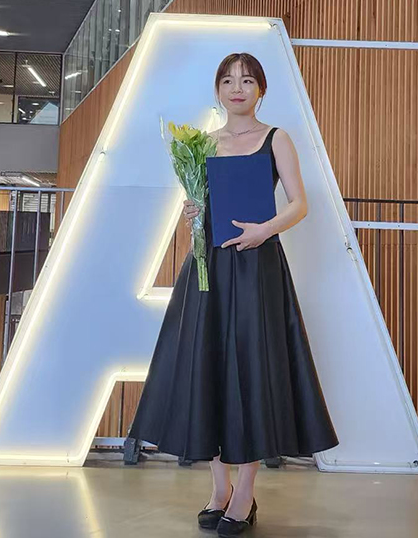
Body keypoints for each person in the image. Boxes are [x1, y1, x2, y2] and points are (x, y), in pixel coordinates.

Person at [127, 52, 339, 536]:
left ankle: (244, 494)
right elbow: (201, 207)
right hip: (209, 268)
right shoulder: (203, 144)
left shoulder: (275, 138)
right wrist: (193, 214)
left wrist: (264, 230)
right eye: (228, 80)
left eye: (246, 80)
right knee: (209, 366)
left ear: (261, 88)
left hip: (257, 267)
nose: (237, 87)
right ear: (217, 90)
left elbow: (299, 204)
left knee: (252, 369)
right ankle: (218, 489)